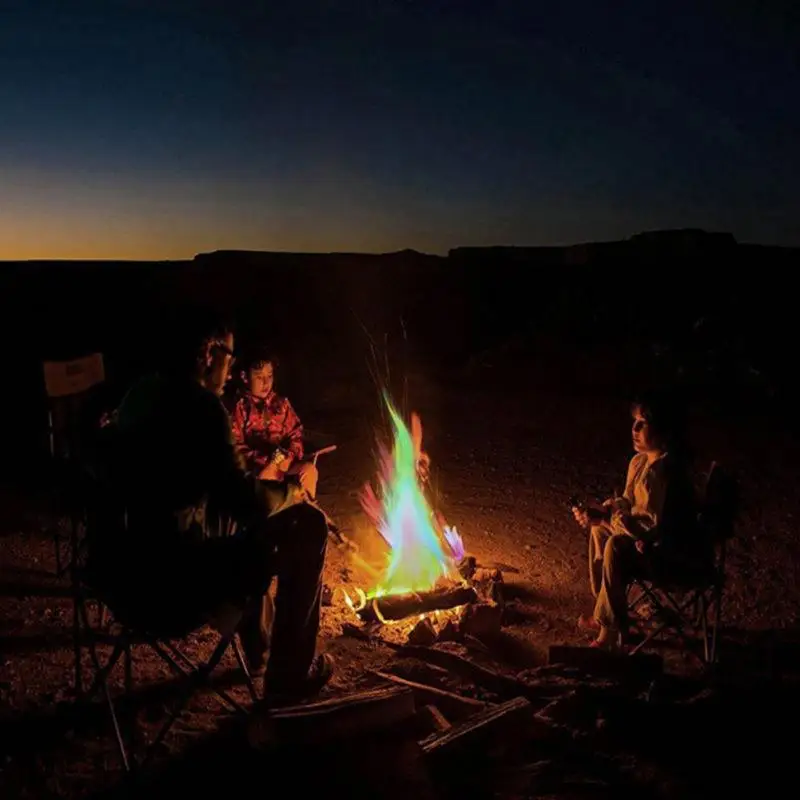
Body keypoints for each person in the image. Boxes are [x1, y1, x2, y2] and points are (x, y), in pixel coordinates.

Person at [92, 310, 333, 703]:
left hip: (121, 576)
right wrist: (290, 493)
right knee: (308, 525)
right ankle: (287, 680)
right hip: (174, 584)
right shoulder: (202, 409)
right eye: (230, 356)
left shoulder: (140, 394)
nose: (232, 368)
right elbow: (246, 503)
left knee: (244, 528)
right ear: (208, 354)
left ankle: (259, 646)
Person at [571, 390, 698, 649]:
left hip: (666, 554)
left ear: (664, 431)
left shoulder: (662, 474)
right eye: (634, 421)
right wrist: (603, 510)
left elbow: (648, 528)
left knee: (615, 545)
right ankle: (606, 611)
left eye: (643, 423)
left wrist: (607, 519)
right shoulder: (639, 462)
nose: (635, 428)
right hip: (645, 541)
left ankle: (608, 631)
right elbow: (627, 501)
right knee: (599, 532)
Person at [229, 349, 319, 500]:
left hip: (284, 465)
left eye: (269, 376)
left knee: (308, 470)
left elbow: (295, 434)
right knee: (266, 477)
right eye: (259, 377)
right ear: (245, 377)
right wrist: (265, 461)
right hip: (258, 471)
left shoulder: (281, 404)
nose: (266, 382)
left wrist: (289, 456)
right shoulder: (240, 408)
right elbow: (235, 446)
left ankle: (307, 508)